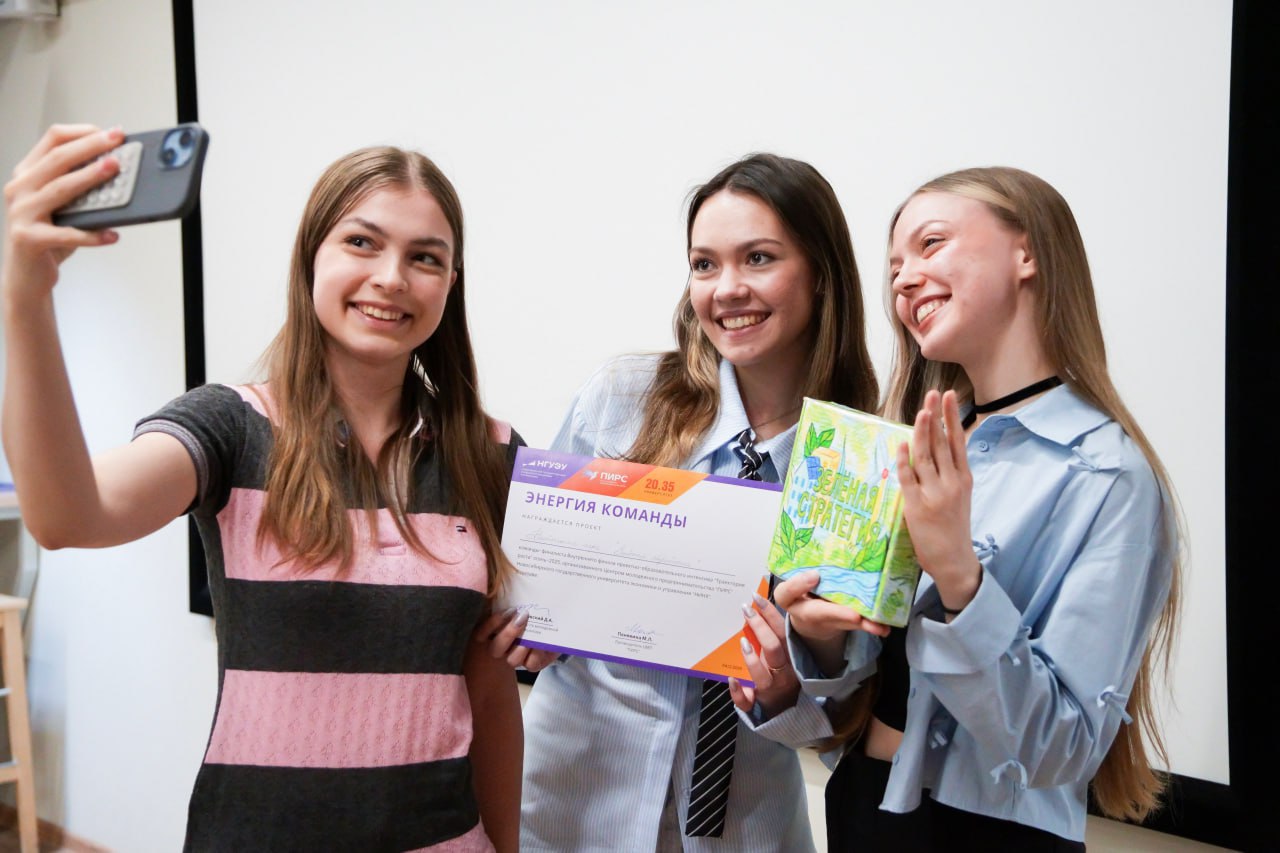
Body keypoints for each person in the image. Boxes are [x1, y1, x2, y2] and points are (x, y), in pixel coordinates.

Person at [2, 125, 523, 852]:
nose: (392, 277)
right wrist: (26, 294)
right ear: (311, 257)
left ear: (450, 283)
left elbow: (491, 692)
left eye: (425, 257)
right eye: (362, 242)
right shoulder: (230, 427)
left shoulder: (491, 455)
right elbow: (68, 516)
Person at [482, 152, 881, 850]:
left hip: (745, 824)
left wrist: (787, 689)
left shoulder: (856, 465)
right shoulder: (622, 398)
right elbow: (531, 593)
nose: (727, 289)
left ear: (821, 272)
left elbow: (837, 723)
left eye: (758, 258)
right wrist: (530, 631)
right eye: (704, 264)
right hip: (573, 807)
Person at [778, 166, 1181, 851]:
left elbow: (1061, 749)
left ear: (1027, 253)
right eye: (895, 268)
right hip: (863, 803)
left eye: (930, 244)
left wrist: (961, 578)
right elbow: (864, 683)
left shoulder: (1108, 476)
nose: (904, 281)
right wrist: (819, 638)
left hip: (985, 833)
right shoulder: (906, 445)